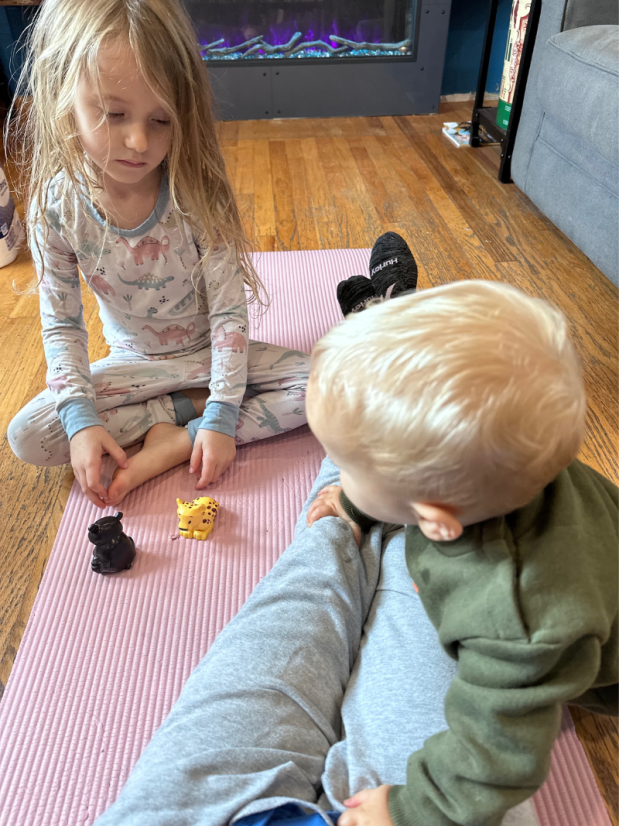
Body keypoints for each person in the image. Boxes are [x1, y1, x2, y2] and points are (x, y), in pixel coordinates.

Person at [93, 277, 617, 826]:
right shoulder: (507, 473)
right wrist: (363, 501)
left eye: (350, 467)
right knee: (354, 511)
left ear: (436, 523)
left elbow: (497, 758)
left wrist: (414, 809)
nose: (341, 475)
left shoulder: (514, 624)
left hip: (575, 655)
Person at [7, 0, 310, 509]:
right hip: (134, 368)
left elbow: (230, 314)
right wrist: (81, 421)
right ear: (64, 96)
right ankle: (177, 412)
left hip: (211, 355)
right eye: (113, 113)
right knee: (29, 435)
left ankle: (180, 438)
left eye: (161, 119)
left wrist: (219, 417)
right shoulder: (54, 208)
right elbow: (62, 326)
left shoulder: (194, 192)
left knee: (327, 386)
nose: (138, 141)